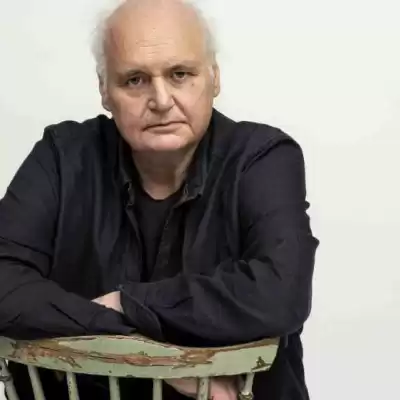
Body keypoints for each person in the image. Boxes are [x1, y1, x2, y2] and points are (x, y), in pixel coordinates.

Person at [0, 0, 319, 399]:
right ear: (104, 90)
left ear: (215, 77)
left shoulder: (263, 158)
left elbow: (280, 293)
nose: (162, 100)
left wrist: (125, 302)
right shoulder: (61, 157)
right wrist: (161, 359)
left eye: (180, 74)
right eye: (135, 80)